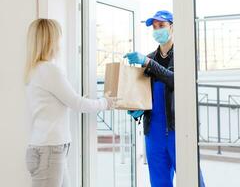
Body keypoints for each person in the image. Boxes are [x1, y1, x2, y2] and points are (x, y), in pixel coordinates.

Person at [24, 19, 117, 187]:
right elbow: (77, 104)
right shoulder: (49, 70)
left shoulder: (35, 70)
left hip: (47, 149)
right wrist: (105, 103)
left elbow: (59, 102)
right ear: (50, 41)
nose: (60, 43)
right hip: (49, 151)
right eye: (58, 38)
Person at [124, 10, 205, 187]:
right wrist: (138, 108)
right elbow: (146, 92)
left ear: (172, 27)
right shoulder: (150, 57)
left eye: (161, 25)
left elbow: (177, 81)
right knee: (159, 181)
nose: (157, 30)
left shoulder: (185, 55)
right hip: (154, 131)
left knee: (192, 179)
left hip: (178, 129)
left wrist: (148, 63)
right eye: (154, 27)